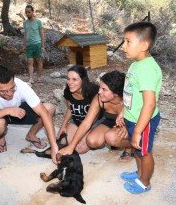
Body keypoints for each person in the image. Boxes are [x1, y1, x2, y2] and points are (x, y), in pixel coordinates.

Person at [0, 65, 59, 164]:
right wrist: (6, 111)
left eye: (12, 88)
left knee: (49, 108)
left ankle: (31, 135)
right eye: (3, 91)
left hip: (17, 112)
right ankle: (0, 137)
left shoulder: (21, 85)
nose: (9, 94)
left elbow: (44, 113)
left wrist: (54, 146)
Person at [117, 22, 162, 194]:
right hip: (133, 118)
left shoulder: (148, 69)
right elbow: (130, 92)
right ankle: (139, 173)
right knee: (137, 150)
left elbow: (149, 104)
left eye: (128, 42)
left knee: (145, 152)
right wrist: (123, 111)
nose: (124, 46)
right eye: (124, 41)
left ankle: (145, 182)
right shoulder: (136, 64)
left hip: (144, 121)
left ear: (144, 45)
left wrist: (138, 131)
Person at [59, 71, 133, 158]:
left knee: (111, 137)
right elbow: (86, 123)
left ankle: (131, 147)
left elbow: (144, 116)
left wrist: (127, 126)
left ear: (116, 94)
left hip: (130, 123)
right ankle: (116, 142)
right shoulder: (99, 99)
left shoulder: (130, 99)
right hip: (110, 122)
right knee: (92, 141)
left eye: (104, 89)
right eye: (100, 88)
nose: (99, 91)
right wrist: (71, 147)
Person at [57, 65, 99, 153]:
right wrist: (63, 126)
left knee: (80, 148)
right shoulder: (68, 91)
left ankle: (99, 137)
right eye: (68, 79)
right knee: (64, 142)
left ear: (83, 80)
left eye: (74, 79)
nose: (70, 82)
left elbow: (94, 118)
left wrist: (84, 134)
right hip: (77, 120)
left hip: (93, 122)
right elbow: (69, 109)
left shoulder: (94, 91)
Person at [23, 5, 45, 84]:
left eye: (29, 12)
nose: (27, 13)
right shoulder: (25, 23)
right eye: (26, 12)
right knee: (30, 62)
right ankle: (31, 78)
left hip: (37, 44)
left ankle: (39, 77)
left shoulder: (38, 22)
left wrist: (42, 46)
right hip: (29, 45)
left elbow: (42, 34)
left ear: (32, 12)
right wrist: (24, 45)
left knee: (39, 61)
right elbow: (25, 34)